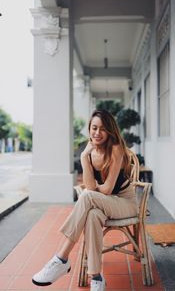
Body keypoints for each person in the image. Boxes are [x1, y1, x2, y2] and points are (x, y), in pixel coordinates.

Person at [32, 110, 138, 291]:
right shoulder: (88, 153)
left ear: (110, 131)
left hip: (124, 203)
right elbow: (92, 187)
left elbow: (107, 189)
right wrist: (83, 157)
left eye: (103, 129)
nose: (97, 133)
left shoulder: (116, 148)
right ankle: (96, 278)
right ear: (89, 129)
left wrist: (95, 191)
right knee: (92, 216)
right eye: (94, 128)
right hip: (103, 204)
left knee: (87, 197)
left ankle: (61, 258)